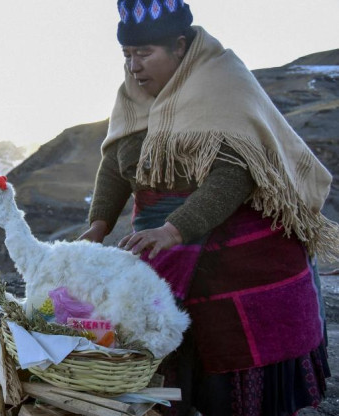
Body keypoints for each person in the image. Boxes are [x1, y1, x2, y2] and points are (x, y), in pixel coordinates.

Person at [80, 1, 335, 415]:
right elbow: (116, 161)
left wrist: (174, 230)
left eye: (145, 54)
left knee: (227, 366)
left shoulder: (221, 81)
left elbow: (234, 174)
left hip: (235, 248)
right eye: (127, 56)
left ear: (180, 46)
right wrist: (99, 222)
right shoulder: (132, 95)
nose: (133, 67)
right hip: (160, 243)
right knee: (160, 349)